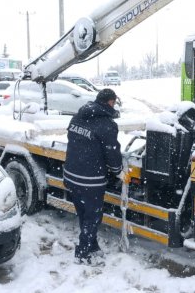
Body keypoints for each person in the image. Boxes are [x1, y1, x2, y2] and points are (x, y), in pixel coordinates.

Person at [63, 88, 122, 265]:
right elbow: (112, 152)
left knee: (83, 214)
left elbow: (73, 138)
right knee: (93, 216)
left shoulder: (78, 116)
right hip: (90, 180)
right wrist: (118, 171)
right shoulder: (107, 124)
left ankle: (92, 245)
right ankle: (82, 252)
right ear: (111, 102)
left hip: (71, 175)